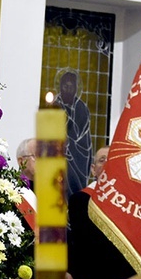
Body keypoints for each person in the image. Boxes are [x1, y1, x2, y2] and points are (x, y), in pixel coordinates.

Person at [66, 144, 135, 279]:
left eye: (113, 160)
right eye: (102, 160)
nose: (108, 163)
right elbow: (80, 242)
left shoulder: (133, 204)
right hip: (92, 278)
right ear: (93, 169)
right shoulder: (80, 200)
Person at [54, 70, 93, 200]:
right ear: (60, 87)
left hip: (79, 155)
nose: (69, 90)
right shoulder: (55, 105)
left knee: (75, 189)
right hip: (59, 155)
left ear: (77, 88)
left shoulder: (81, 107)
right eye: (66, 86)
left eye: (72, 86)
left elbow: (79, 134)